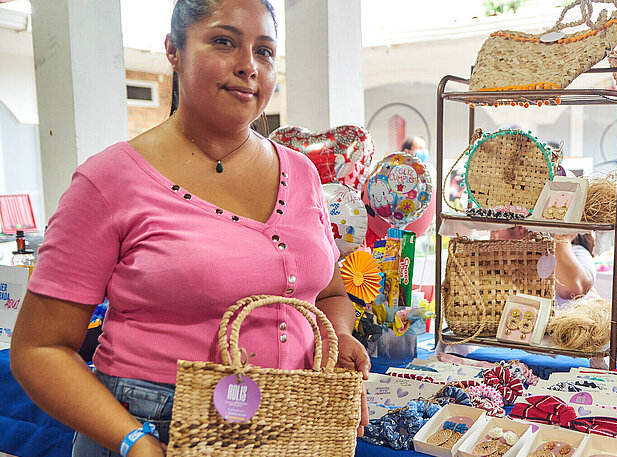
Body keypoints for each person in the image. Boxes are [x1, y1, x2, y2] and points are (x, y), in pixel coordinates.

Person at [10, 1, 369, 456]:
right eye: (224, 42)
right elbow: (39, 349)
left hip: (285, 428)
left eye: (264, 51)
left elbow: (329, 294)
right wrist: (134, 442)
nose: (248, 67)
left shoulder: (301, 174)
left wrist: (334, 339)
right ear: (173, 51)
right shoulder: (110, 181)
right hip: (152, 428)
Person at [490, 228, 596, 308]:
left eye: (495, 229)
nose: (492, 235)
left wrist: (562, 238)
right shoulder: (503, 259)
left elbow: (572, 289)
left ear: (520, 228)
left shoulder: (577, 252)